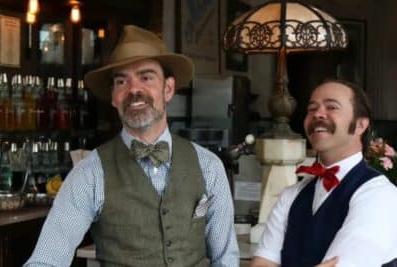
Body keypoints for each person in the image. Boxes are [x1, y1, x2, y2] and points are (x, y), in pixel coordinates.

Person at [25, 25, 239, 267]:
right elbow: (45, 261)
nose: (134, 89)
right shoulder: (90, 174)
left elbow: (226, 260)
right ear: (114, 96)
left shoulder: (209, 166)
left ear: (168, 89)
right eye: (121, 81)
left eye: (146, 77)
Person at [251, 80, 397, 267]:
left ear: (360, 125)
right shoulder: (291, 195)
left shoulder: (379, 196)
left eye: (332, 107)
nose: (317, 113)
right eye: (312, 108)